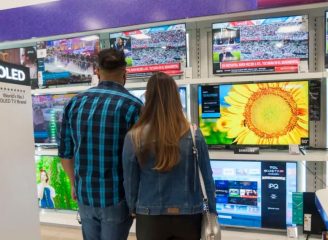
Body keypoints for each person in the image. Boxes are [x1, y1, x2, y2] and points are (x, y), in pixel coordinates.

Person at [59, 48, 143, 240]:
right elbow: (141, 158)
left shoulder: (75, 103)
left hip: (84, 195)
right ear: (125, 71)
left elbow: (65, 153)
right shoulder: (133, 106)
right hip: (117, 198)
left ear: (97, 70)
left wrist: (74, 183)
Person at [122, 72, 216, 240]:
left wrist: (133, 208)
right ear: (175, 98)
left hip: (149, 216)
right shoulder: (194, 134)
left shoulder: (134, 137)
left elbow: (130, 181)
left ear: (148, 98)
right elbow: (207, 178)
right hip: (189, 216)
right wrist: (213, 211)